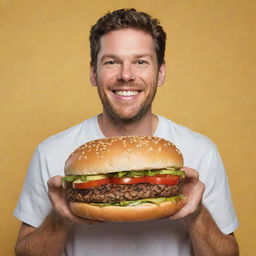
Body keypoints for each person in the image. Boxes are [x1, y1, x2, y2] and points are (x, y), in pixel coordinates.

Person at [14, 8, 239, 256]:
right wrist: (60, 217)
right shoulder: (51, 152)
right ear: (93, 72)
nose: (126, 75)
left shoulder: (201, 150)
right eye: (111, 62)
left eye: (141, 62)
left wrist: (196, 215)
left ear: (160, 72)